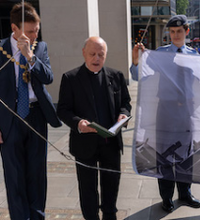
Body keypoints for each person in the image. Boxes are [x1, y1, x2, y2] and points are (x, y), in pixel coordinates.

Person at [131, 15, 200, 213]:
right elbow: (137, 76)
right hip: (166, 111)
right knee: (164, 154)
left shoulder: (194, 55)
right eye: (172, 31)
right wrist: (136, 60)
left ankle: (185, 193)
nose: (176, 35)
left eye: (179, 31)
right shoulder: (160, 54)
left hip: (186, 110)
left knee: (186, 154)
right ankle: (166, 197)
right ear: (169, 33)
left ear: (186, 32)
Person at [57, 36, 131, 220]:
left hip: (110, 142)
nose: (96, 58)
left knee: (111, 184)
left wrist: (123, 114)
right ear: (84, 53)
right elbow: (63, 110)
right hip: (84, 143)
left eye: (101, 54)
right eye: (92, 54)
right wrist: (78, 123)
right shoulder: (70, 78)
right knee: (88, 188)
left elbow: (125, 103)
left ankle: (109, 215)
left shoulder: (116, 76)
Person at [0, 2, 61, 219]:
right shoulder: (0, 49)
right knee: (14, 176)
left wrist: (30, 56)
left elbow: (48, 77)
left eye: (36, 30)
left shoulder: (40, 48)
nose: (34, 35)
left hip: (35, 116)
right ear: (14, 29)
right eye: (29, 31)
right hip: (9, 119)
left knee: (36, 175)